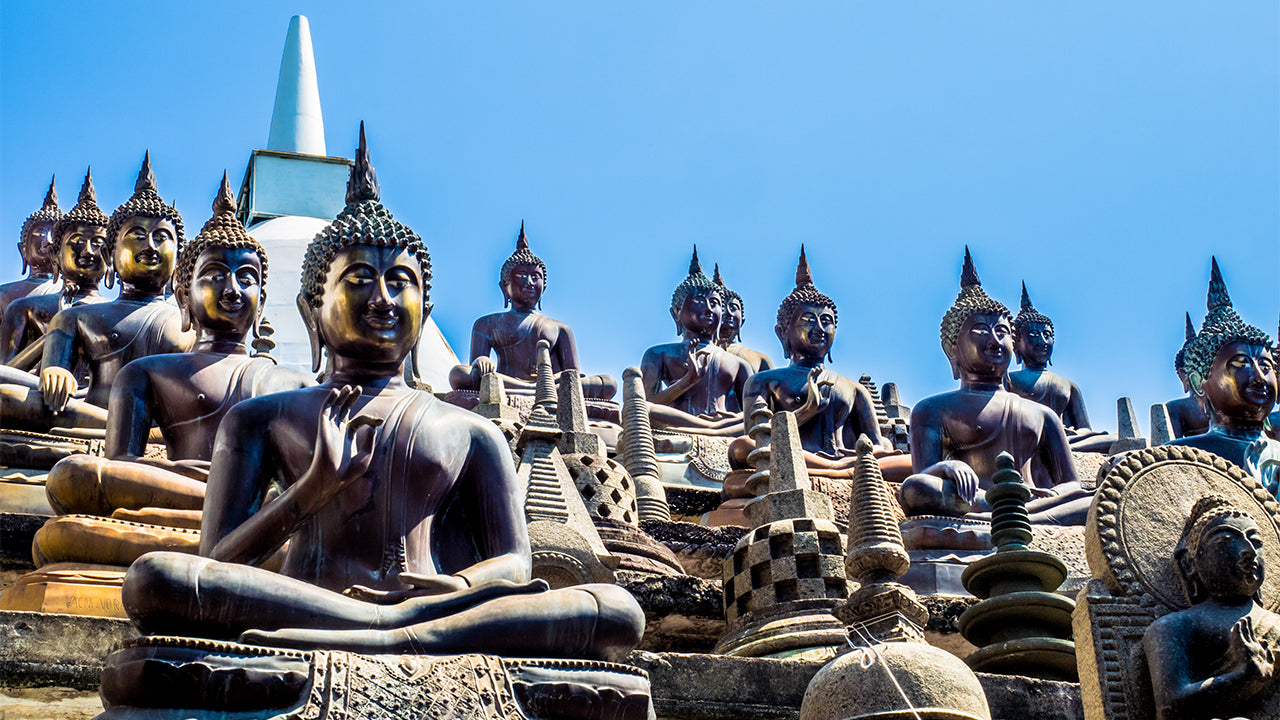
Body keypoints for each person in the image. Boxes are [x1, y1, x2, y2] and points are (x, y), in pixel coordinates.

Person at [121, 126, 643, 661]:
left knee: (616, 610)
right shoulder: (262, 417)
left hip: (433, 608)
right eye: (360, 279)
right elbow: (220, 561)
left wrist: (459, 590)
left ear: (426, 316)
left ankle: (398, 628)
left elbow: (514, 564)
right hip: (307, 599)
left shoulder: (472, 431)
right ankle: (380, 625)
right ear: (311, 311)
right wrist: (313, 489)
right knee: (157, 578)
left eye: (400, 280)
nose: (383, 299)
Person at [44, 173, 314, 524]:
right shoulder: (141, 371)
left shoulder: (295, 386)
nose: (231, 289)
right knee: (75, 476)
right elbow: (120, 467)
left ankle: (233, 514)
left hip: (250, 515)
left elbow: (303, 485)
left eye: (246, 278)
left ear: (261, 303)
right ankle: (227, 509)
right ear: (185, 294)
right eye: (215, 275)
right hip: (186, 493)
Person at [898, 249, 1090, 525]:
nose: (994, 340)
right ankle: (1009, 514)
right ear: (953, 351)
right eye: (980, 331)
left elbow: (1071, 484)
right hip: (975, 498)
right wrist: (944, 467)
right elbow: (922, 475)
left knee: (1092, 501)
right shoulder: (932, 410)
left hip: (1033, 501)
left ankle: (1014, 516)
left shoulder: (1041, 414)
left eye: (1002, 332)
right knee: (916, 490)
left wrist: (1051, 495)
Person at [1142, 494, 1278, 720]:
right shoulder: (1175, 626)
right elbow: (1169, 708)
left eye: (1256, 542)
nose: (1249, 551)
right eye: (1226, 539)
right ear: (1189, 564)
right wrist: (1243, 678)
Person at [448, 223, 615, 399]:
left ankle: (541, 390)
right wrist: (480, 361)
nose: (529, 282)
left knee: (608, 383)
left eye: (536, 277)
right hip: (504, 381)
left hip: (550, 384)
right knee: (459, 375)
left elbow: (571, 376)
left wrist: (549, 380)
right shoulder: (486, 324)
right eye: (521, 275)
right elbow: (476, 365)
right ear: (504, 287)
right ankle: (538, 392)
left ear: (544, 287)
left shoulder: (560, 328)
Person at [1168, 259, 1279, 497]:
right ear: (1199, 383)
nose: (1259, 377)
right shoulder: (1180, 459)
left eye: (1266, 365)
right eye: (1240, 364)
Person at [640, 247, 752, 419]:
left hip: (725, 428)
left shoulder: (739, 365)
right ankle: (711, 428)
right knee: (646, 410)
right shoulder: (657, 354)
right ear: (676, 313)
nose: (708, 309)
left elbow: (753, 416)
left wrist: (734, 420)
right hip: (679, 428)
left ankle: (713, 428)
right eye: (699, 301)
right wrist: (687, 381)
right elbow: (643, 407)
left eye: (714, 303)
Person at [0, 176, 62, 318]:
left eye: (55, 235)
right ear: (23, 250)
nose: (48, 241)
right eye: (40, 233)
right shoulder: (3, 294)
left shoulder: (73, 294)